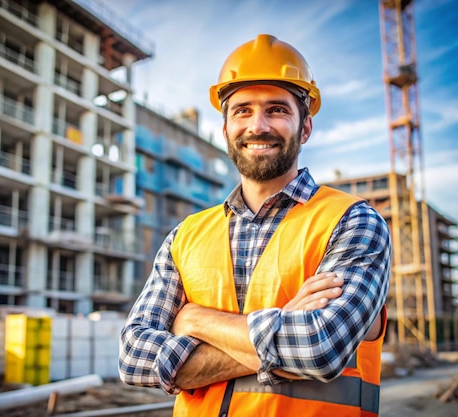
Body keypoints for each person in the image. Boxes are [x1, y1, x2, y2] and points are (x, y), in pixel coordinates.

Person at [119, 34, 391, 417]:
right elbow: (133, 358)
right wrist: (285, 325)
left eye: (277, 110)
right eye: (242, 110)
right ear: (226, 128)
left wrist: (196, 319)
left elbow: (318, 350)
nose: (258, 126)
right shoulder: (186, 236)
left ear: (306, 128)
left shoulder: (352, 223)